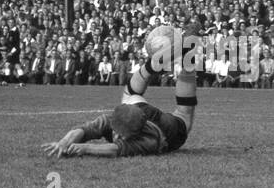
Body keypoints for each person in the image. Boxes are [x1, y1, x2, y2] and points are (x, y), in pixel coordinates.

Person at [43, 27, 197, 158]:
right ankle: (184, 56)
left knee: (184, 114)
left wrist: (84, 148)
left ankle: (178, 59)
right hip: (144, 112)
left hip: (166, 129)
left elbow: (115, 149)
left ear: (128, 134)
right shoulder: (111, 119)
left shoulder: (149, 140)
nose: (118, 137)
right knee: (182, 112)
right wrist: (64, 142)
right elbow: (82, 130)